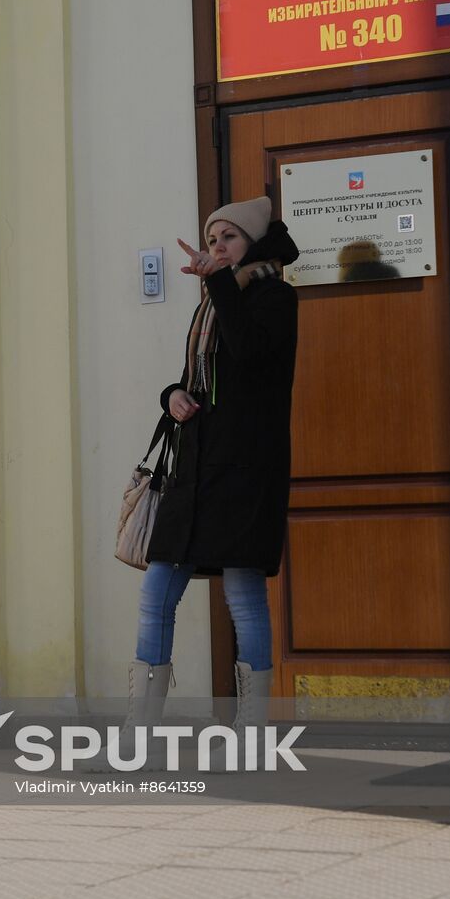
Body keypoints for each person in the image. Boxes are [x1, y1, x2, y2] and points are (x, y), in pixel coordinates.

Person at [123, 195, 299, 764]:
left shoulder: (275, 297)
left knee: (244, 594)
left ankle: (253, 734)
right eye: (213, 238)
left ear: (253, 243)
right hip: (194, 470)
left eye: (230, 238)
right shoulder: (209, 306)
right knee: (156, 591)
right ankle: (140, 734)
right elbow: (194, 381)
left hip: (246, 470)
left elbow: (249, 354)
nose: (218, 246)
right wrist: (170, 395)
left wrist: (220, 283)